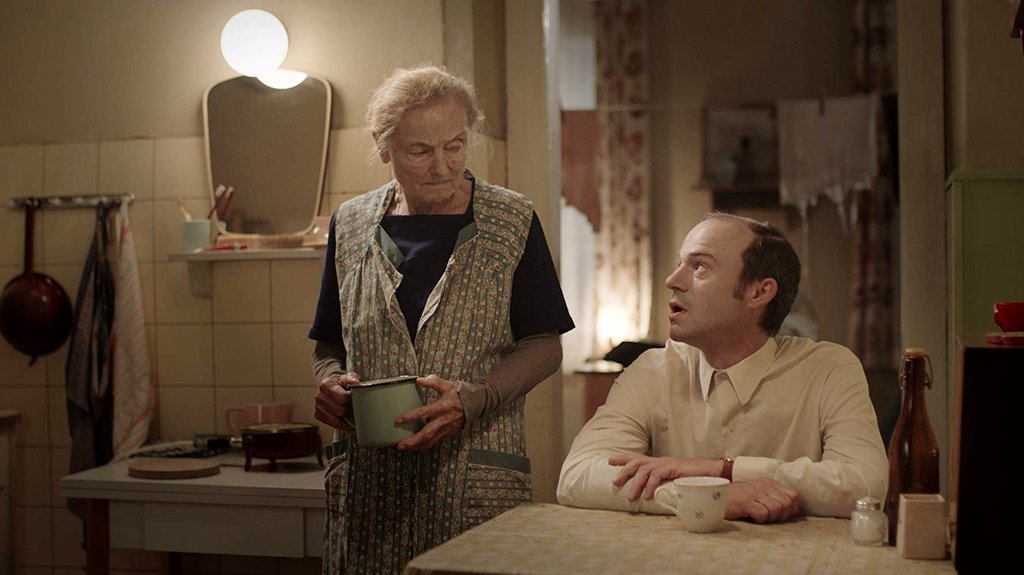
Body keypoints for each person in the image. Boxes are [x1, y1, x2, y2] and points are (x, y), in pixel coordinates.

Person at [309, 65, 574, 574]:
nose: (442, 166)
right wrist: (331, 384)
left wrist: (473, 398)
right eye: (420, 151)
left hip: (473, 479)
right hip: (369, 488)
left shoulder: (511, 221)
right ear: (384, 148)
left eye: (455, 145)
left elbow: (545, 344)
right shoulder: (351, 226)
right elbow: (329, 344)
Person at [557, 213, 887, 523]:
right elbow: (578, 476)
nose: (672, 280)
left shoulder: (829, 369)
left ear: (759, 292)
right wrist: (706, 497)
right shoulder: (652, 371)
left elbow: (866, 487)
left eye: (700, 267)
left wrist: (722, 470)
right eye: (679, 264)